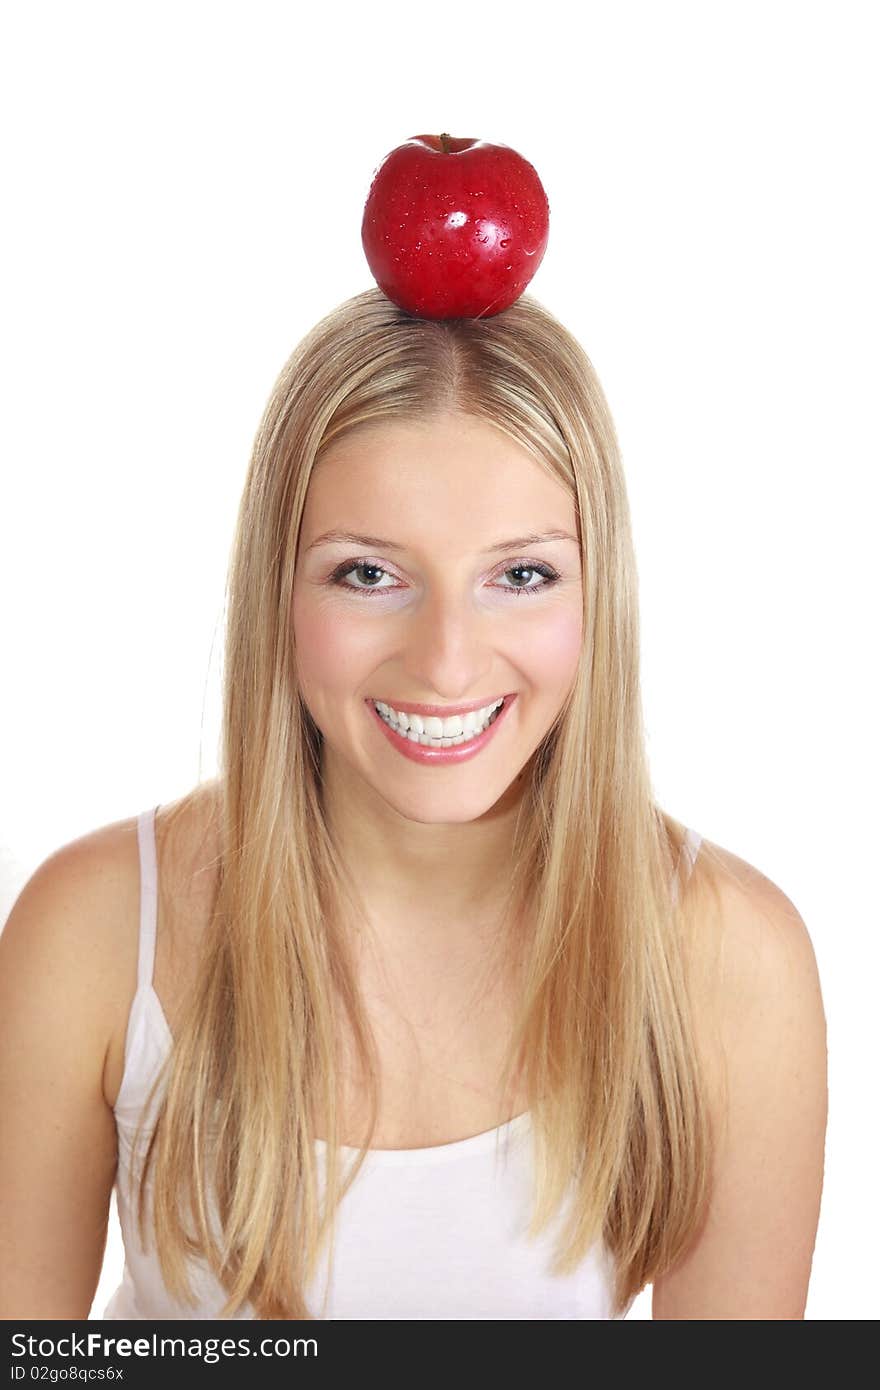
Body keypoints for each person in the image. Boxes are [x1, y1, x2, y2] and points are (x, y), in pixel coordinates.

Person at [0, 288, 827, 1320]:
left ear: (596, 592)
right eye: (369, 572)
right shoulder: (96, 929)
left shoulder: (726, 956)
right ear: (279, 590)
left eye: (520, 573)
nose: (445, 662)